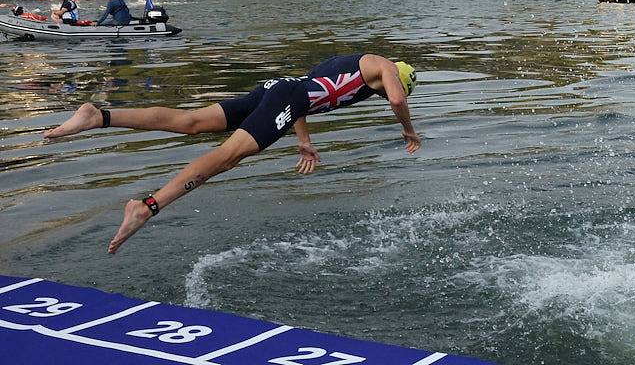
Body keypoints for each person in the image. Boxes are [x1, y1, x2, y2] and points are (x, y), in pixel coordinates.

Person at [42, 53, 421, 254]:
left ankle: (100, 116)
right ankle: (147, 206)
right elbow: (398, 98)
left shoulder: (345, 67)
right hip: (284, 96)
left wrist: (303, 141)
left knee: (190, 122)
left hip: (277, 89)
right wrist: (408, 128)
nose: (380, 91)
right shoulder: (381, 64)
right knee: (228, 156)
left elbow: (302, 94)